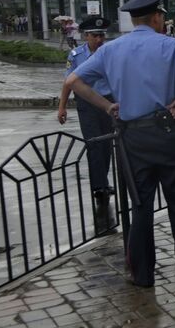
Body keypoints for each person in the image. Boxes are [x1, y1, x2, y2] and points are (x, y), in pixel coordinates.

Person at [63, 0, 175, 287]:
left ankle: (142, 275)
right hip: (169, 133)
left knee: (141, 206)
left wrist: (108, 106)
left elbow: (73, 81)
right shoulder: (171, 45)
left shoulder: (110, 49)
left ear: (135, 21)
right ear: (157, 17)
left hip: (132, 138)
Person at [57, 16, 116, 237]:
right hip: (87, 105)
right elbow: (68, 82)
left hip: (108, 102)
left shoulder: (110, 52)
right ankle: (98, 186)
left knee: (108, 143)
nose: (99, 39)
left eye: (102, 35)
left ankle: (103, 181)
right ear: (86, 36)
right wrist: (62, 107)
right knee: (94, 144)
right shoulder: (76, 56)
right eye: (95, 36)